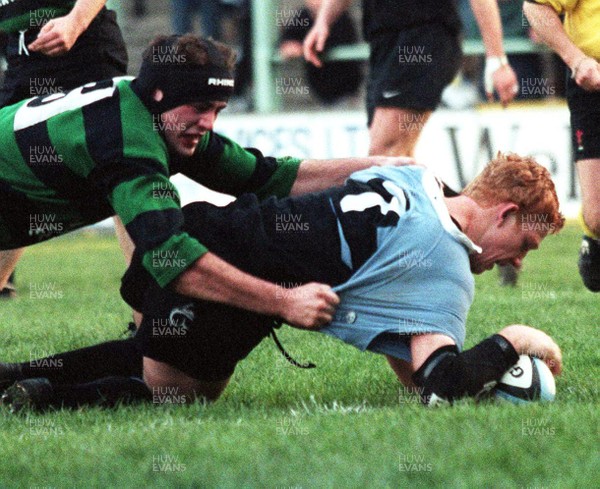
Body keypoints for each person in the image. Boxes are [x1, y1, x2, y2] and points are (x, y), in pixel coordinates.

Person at [0, 154, 564, 411]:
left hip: (203, 230)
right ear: (506, 214)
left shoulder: (412, 174)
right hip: (226, 274)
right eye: (525, 245)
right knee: (176, 393)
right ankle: (41, 399)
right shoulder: (444, 262)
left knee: (158, 359)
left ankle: (15, 375)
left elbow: (412, 364)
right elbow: (441, 384)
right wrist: (514, 338)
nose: (515, 261)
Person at [0, 34, 415, 328]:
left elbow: (271, 177)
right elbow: (172, 260)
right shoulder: (128, 143)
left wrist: (384, 165)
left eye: (218, 109)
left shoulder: (150, 106)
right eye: (200, 107)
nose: (208, 124)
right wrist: (284, 301)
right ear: (161, 95)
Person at [0, 0, 128, 298]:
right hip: (23, 55)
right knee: (8, 177)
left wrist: (75, 21)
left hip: (84, 48)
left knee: (123, 173)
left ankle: (150, 320)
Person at [303, 0, 519, 157]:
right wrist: (323, 22)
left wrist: (497, 60)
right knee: (400, 161)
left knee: (383, 153)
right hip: (382, 45)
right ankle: (456, 214)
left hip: (424, 39)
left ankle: (463, 214)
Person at [523, 0, 600, 292]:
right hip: (593, 84)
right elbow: (534, 7)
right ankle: (594, 238)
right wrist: (577, 59)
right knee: (597, 216)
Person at [279, 0, 363, 105]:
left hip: (345, 87)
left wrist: (309, 46)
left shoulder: (340, 17)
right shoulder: (304, 16)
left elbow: (332, 41)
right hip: (319, 88)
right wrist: (290, 44)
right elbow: (289, 37)